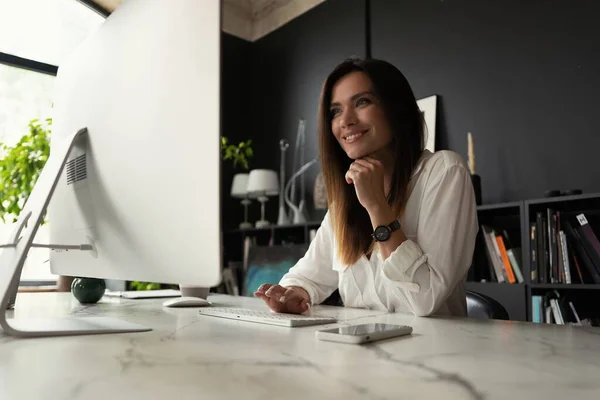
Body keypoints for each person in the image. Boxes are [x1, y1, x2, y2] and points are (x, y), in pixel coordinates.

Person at [254, 57, 478, 317]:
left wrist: (377, 208)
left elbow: (424, 300)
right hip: (360, 352)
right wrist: (294, 293)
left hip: (434, 353)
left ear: (396, 109)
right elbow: (308, 276)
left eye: (362, 102)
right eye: (335, 111)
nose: (345, 121)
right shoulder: (344, 201)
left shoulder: (444, 172)